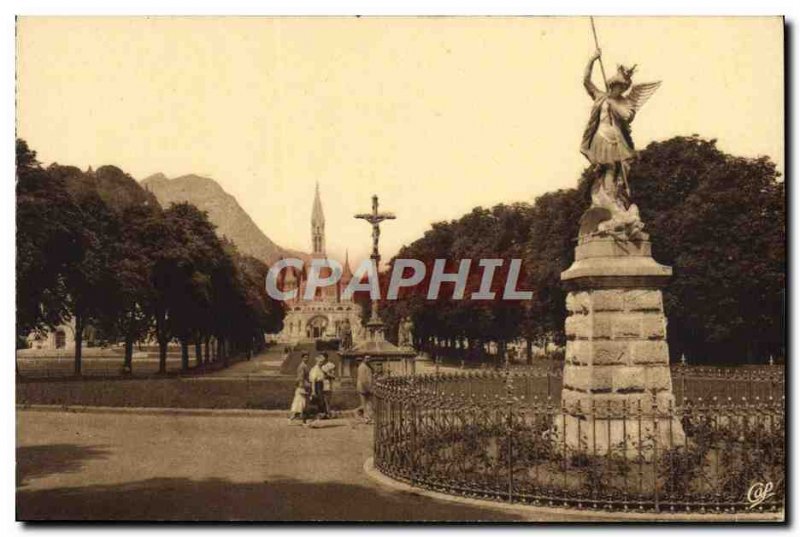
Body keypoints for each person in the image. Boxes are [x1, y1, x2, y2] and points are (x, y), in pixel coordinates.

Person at [356, 355, 374, 423]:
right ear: (364, 359)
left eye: (369, 358)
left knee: (368, 403)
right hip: (363, 387)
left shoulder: (368, 366)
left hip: (366, 386)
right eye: (367, 358)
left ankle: (365, 416)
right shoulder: (362, 367)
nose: (368, 359)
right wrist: (368, 388)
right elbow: (363, 379)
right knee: (365, 403)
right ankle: (366, 418)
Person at [308, 354, 326, 419]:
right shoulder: (315, 369)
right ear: (317, 361)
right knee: (318, 401)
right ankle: (314, 416)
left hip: (320, 386)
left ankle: (319, 416)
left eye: (322, 362)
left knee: (321, 401)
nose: (321, 363)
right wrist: (313, 391)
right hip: (317, 386)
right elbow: (313, 381)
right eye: (320, 362)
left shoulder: (320, 368)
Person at [321, 355, 337, 419]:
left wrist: (328, 375)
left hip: (328, 384)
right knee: (324, 399)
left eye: (324, 357)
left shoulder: (330, 365)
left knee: (327, 399)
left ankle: (328, 413)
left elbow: (333, 375)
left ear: (327, 358)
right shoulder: (321, 365)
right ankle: (326, 413)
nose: (323, 359)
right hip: (322, 384)